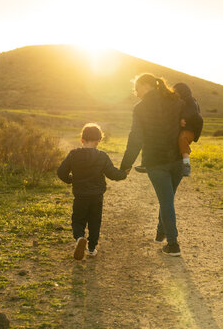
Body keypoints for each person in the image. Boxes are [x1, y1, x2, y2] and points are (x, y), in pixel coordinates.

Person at [120, 73, 185, 256]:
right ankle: (161, 232)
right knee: (168, 199)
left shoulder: (140, 108)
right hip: (178, 159)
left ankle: (173, 245)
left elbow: (136, 138)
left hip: (156, 161)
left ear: (146, 85)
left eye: (137, 88)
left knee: (166, 201)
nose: (136, 92)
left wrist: (126, 164)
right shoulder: (176, 101)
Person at [57, 123, 127, 260]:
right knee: (95, 221)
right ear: (98, 141)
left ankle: (79, 238)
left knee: (78, 219)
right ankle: (91, 248)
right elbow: (112, 174)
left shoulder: (74, 154)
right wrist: (123, 174)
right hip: (97, 196)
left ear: (82, 140)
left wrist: (71, 179)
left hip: (80, 195)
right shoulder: (102, 156)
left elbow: (61, 172)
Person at [173, 83, 204, 177]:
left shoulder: (190, 100)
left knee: (183, 139)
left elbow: (192, 111)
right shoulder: (179, 101)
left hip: (190, 129)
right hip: (183, 129)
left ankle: (186, 165)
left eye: (176, 92)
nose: (175, 94)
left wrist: (183, 117)